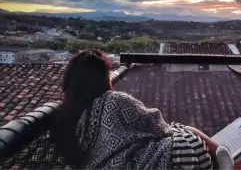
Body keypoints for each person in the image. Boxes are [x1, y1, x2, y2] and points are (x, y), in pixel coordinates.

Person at [50, 49, 221, 170]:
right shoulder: (113, 100)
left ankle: (223, 155)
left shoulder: (66, 117)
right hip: (178, 158)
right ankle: (223, 155)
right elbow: (157, 125)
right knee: (181, 129)